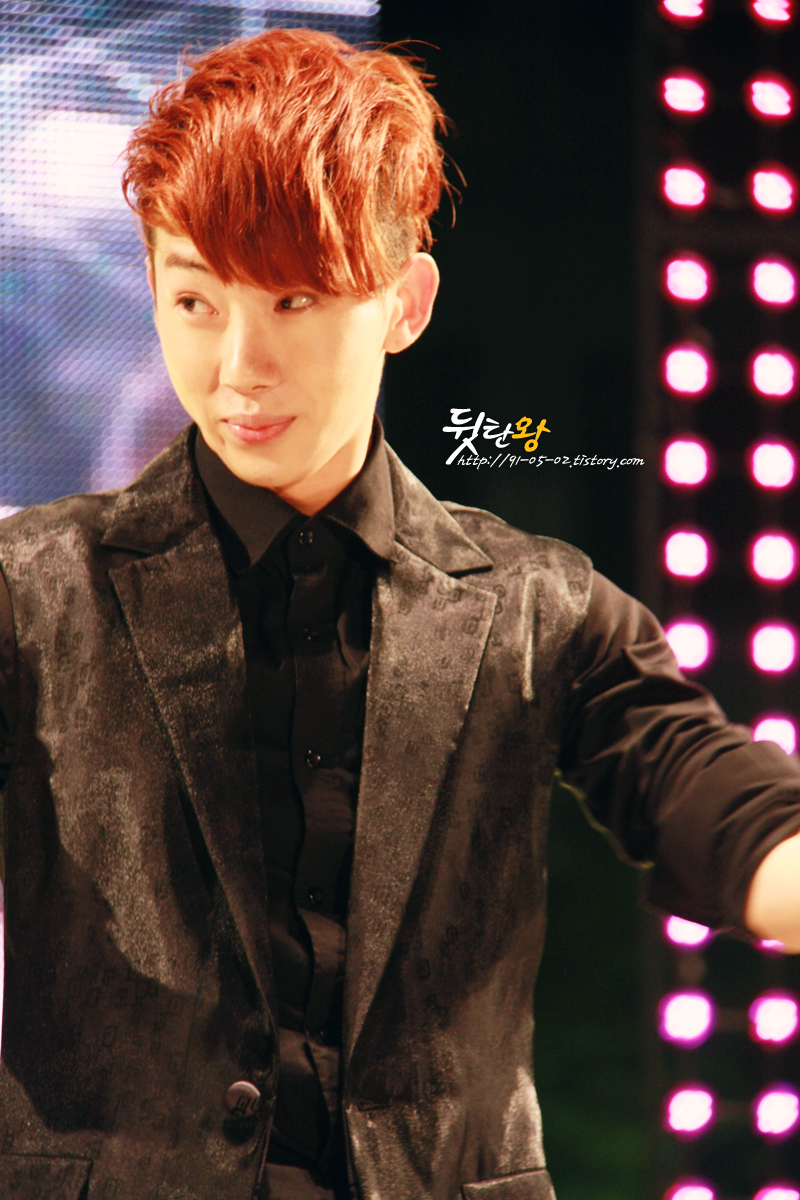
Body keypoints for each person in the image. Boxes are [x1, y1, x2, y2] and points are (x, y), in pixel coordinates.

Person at [0, 26, 799, 1200]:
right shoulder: (30, 591)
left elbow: (708, 796)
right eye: (195, 298)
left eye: (293, 297)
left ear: (404, 302)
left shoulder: (536, 605)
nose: (238, 364)